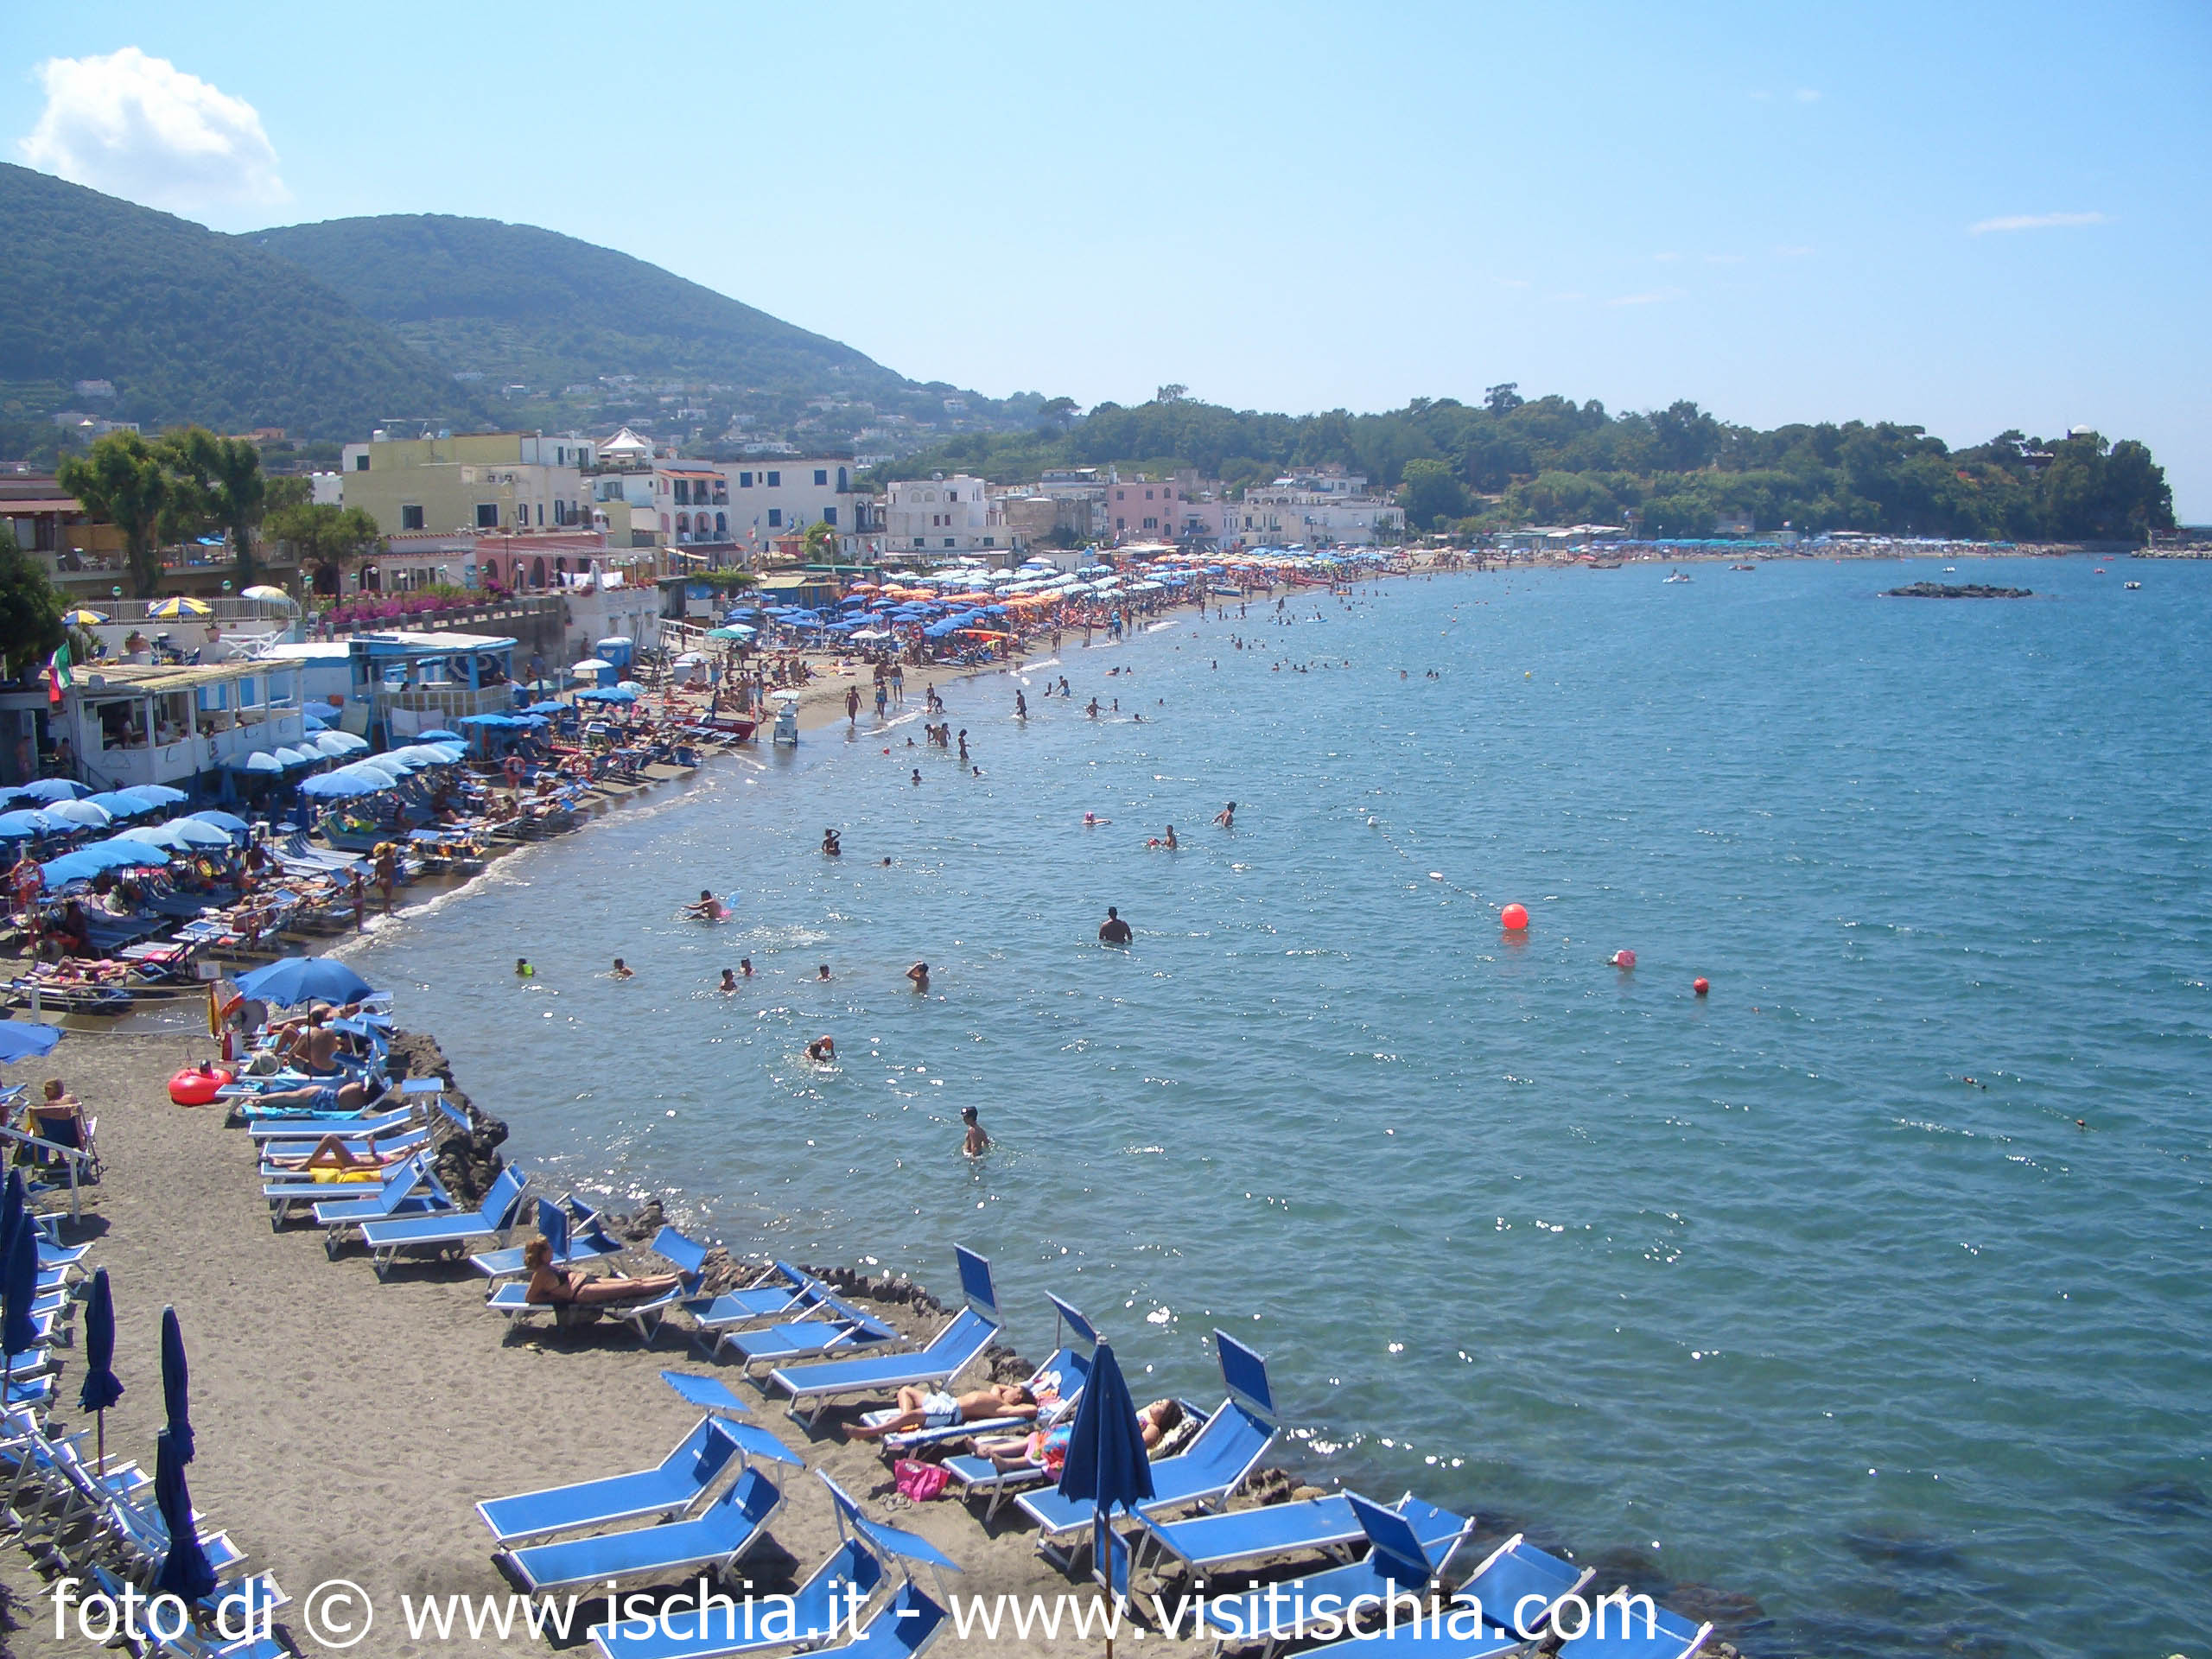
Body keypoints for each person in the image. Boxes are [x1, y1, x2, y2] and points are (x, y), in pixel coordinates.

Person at [524, 1237, 685, 1307]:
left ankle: (675, 1276)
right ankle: (677, 1281)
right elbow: (530, 1298)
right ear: (542, 1254)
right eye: (549, 1249)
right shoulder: (541, 1273)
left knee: (634, 1281)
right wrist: (559, 1297)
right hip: (581, 1292)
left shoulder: (548, 1265)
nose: (552, 1251)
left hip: (586, 1280)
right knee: (634, 1287)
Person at [845, 1382, 1036, 1441]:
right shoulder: (997, 1396)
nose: (1010, 1387)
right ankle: (904, 1421)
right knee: (905, 1391)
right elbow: (998, 1386)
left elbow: (1032, 1409)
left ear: (1018, 1397)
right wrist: (1016, 1390)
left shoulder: (1003, 1408)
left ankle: (868, 1433)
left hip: (950, 1412)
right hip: (946, 1402)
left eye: (1014, 1388)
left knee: (911, 1415)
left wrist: (1027, 1398)